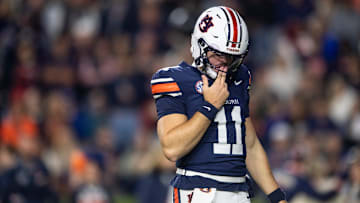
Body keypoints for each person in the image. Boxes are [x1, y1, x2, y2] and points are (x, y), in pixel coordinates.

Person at [150, 6, 287, 203]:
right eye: (218, 55)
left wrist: (277, 197)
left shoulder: (240, 77)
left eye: (231, 57)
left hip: (239, 191)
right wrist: (210, 106)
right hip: (198, 191)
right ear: (200, 45)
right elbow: (172, 149)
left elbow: (249, 144)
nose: (224, 63)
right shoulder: (173, 77)